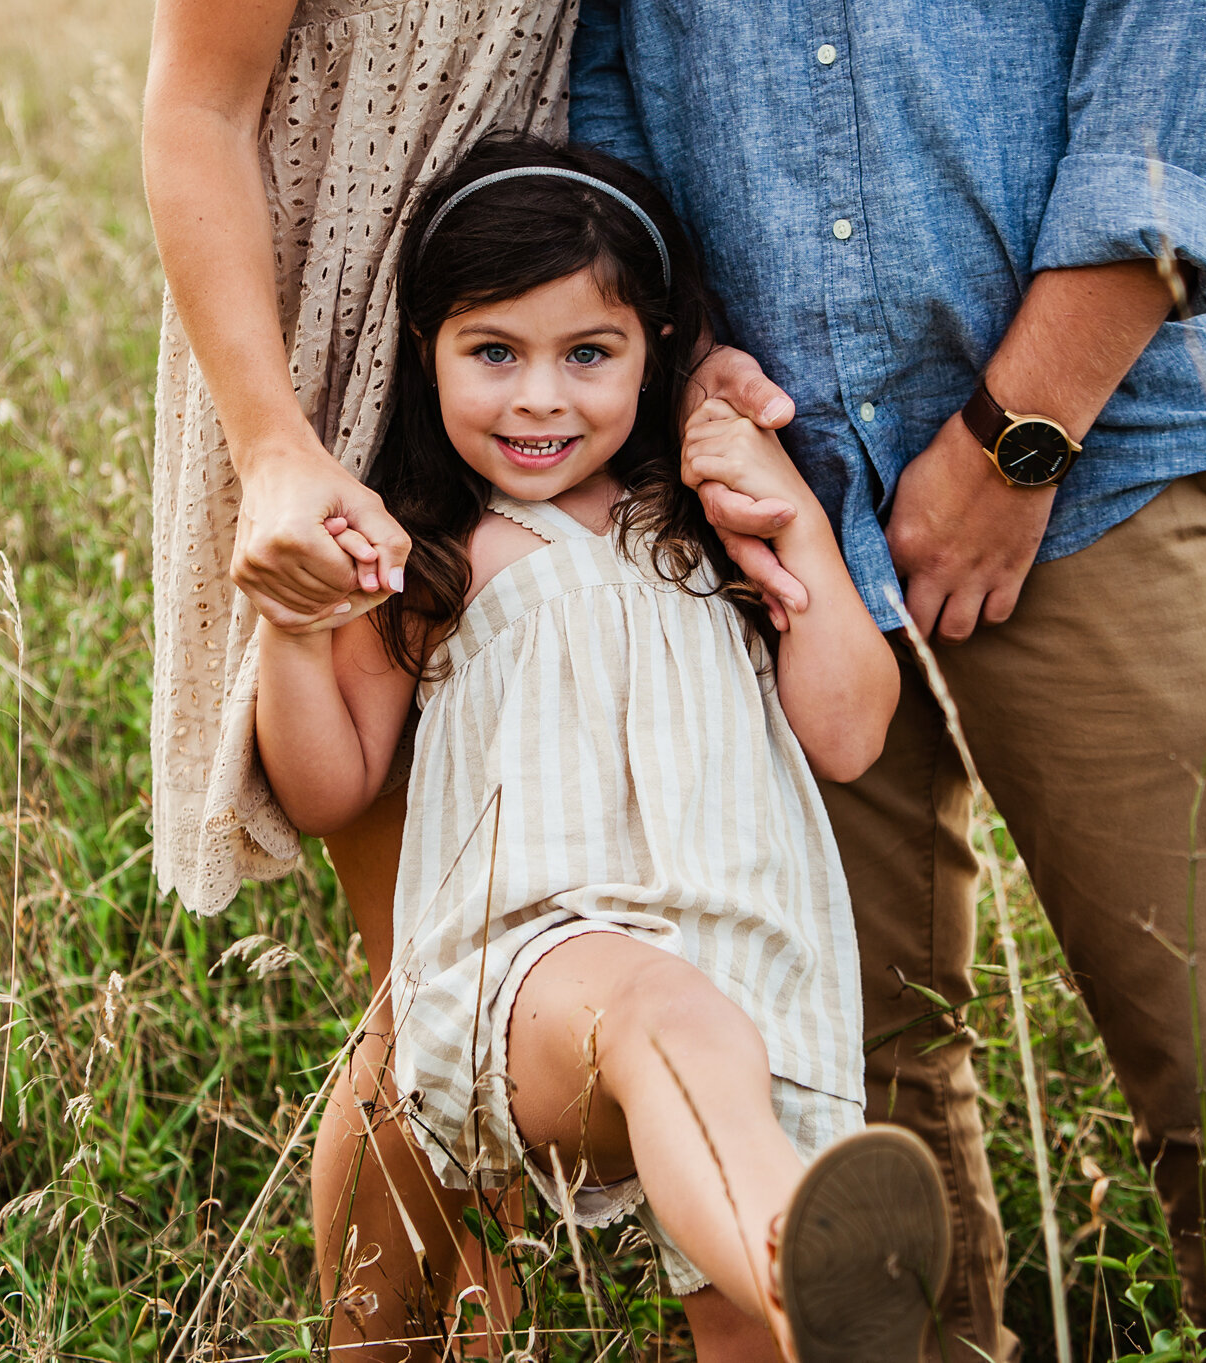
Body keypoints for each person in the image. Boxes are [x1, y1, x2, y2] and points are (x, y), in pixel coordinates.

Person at [569, 3, 1206, 1360]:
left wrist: (1017, 440)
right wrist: (676, 340)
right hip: (787, 508)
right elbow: (600, 68)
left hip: (1119, 459)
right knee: (854, 1081)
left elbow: (1185, 66)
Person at [251, 131, 951, 1362]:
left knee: (741, 1314)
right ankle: (806, 1260)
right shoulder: (431, 553)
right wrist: (296, 626)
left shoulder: (706, 522)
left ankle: (799, 1296)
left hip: (757, 976)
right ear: (427, 354)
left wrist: (791, 520)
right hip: (540, 975)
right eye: (492, 353)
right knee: (662, 1015)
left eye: (589, 353)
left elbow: (847, 729)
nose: (539, 397)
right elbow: (328, 786)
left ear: (657, 353)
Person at [143, 3, 780, 1352]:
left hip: (532, 306)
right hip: (317, 367)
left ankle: (537, 1308)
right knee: (425, 963)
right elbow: (196, 108)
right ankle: (413, 1334)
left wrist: (682, 340)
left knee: (532, 932)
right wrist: (272, 445)